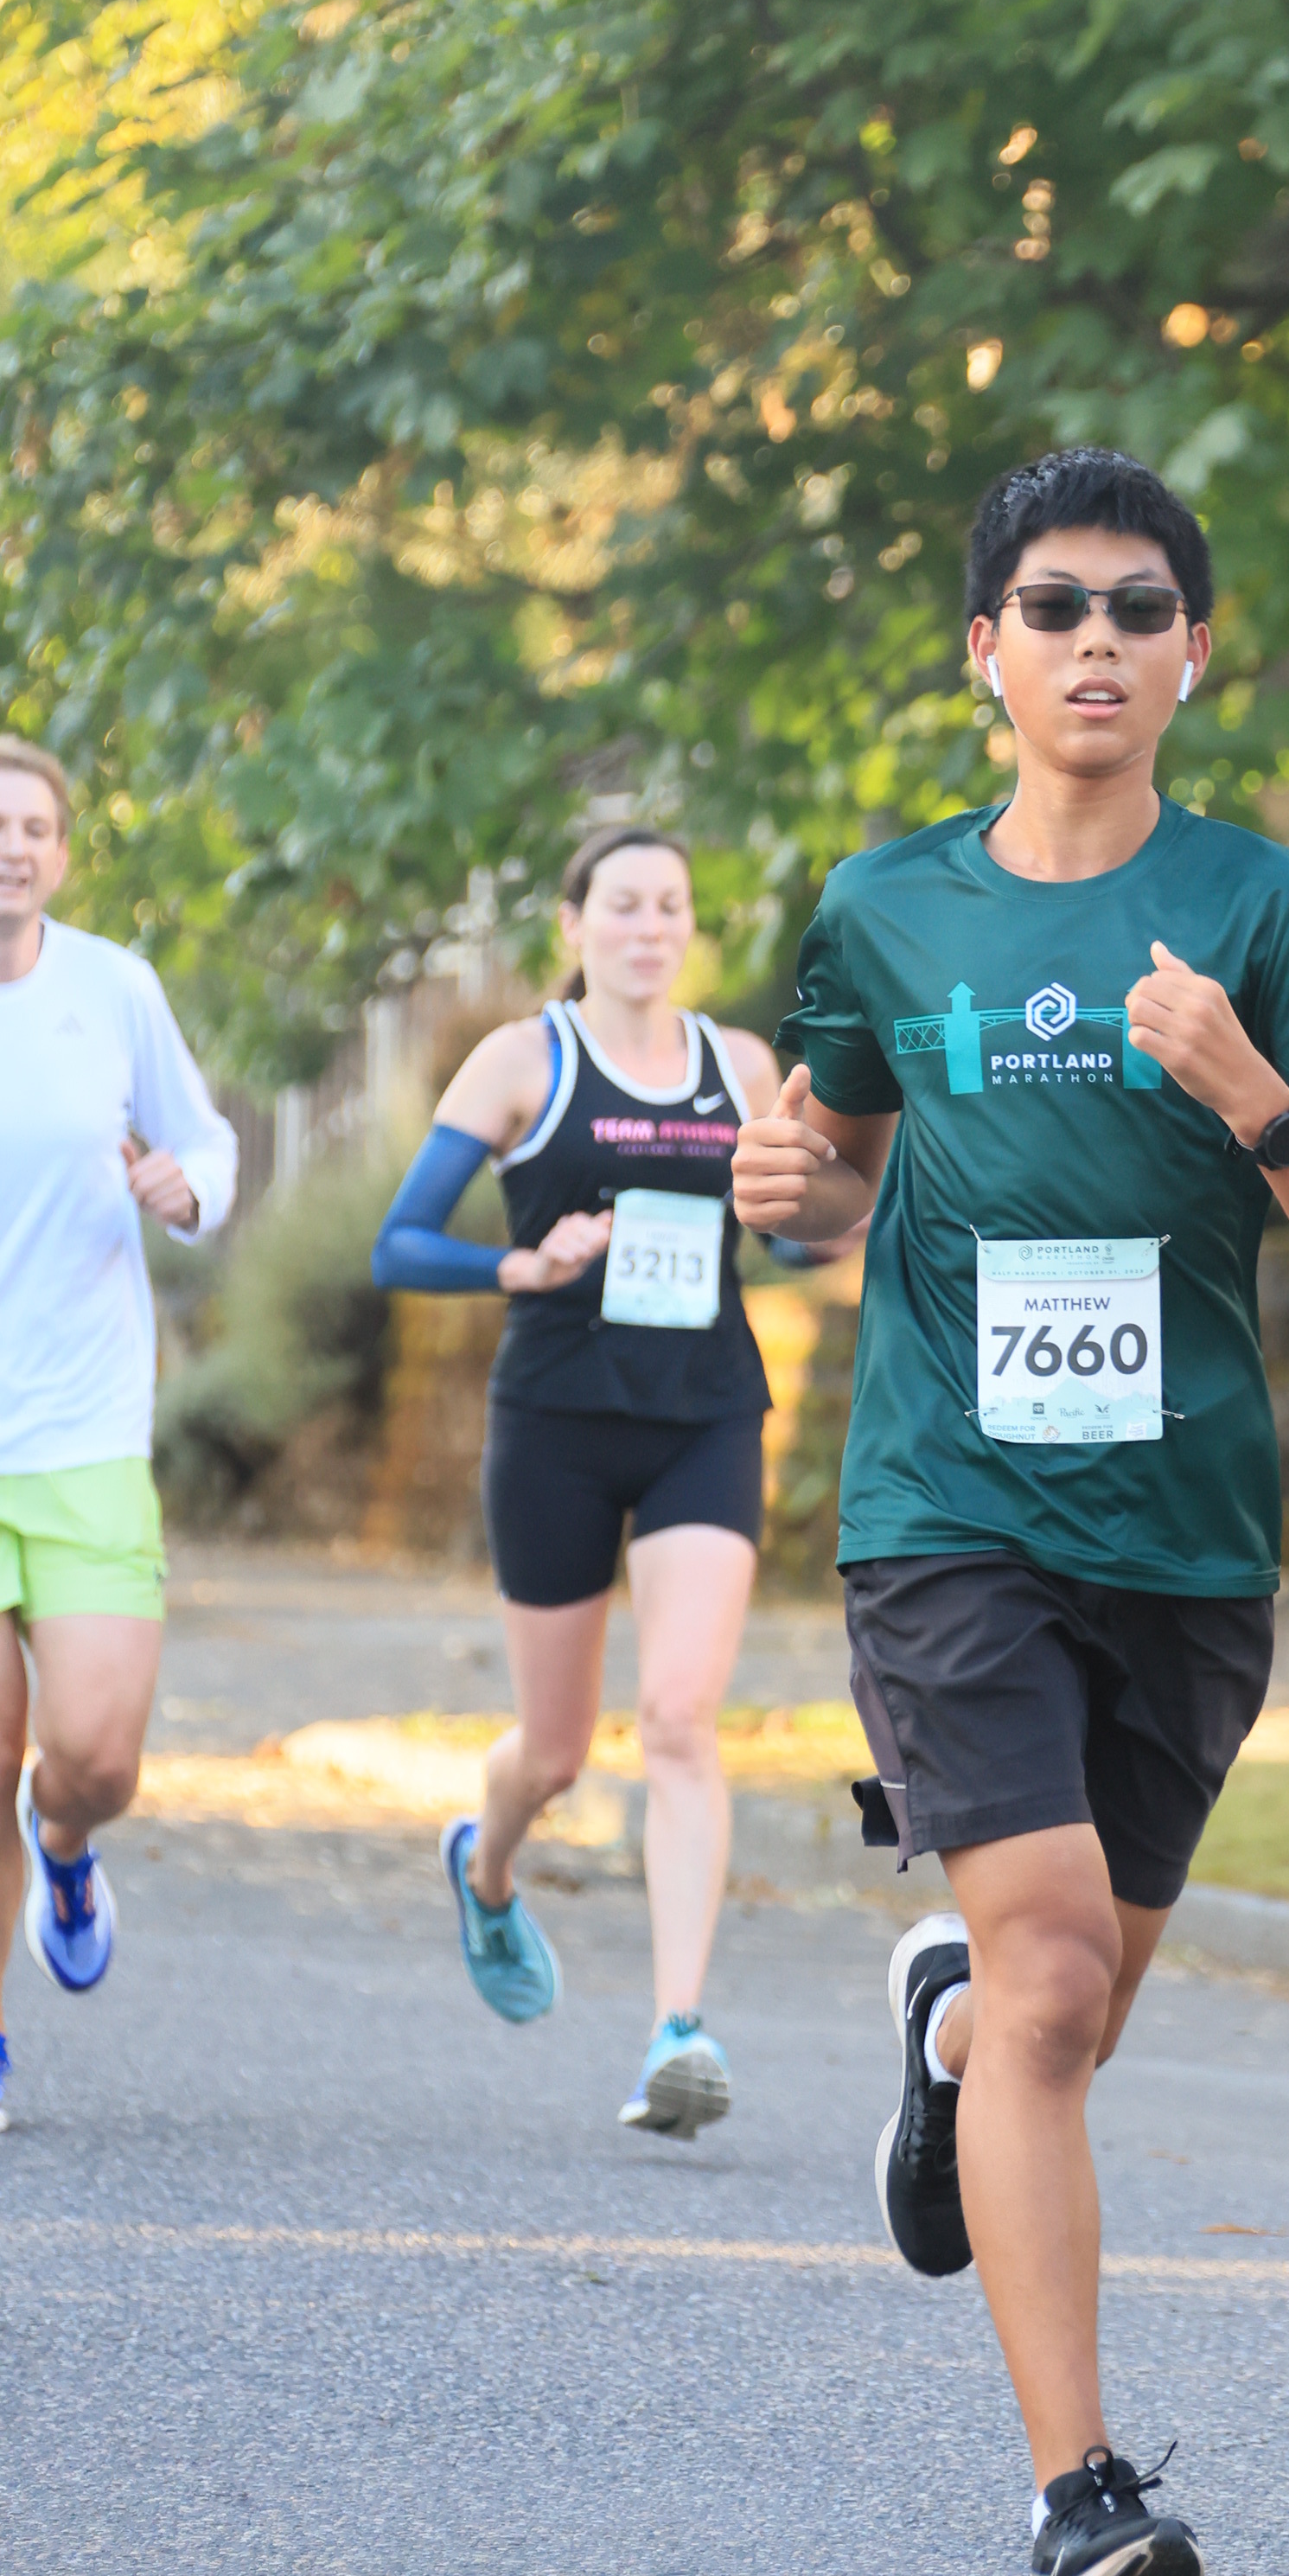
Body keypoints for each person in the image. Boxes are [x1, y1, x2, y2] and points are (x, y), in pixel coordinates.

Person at [732, 446, 1289, 2576]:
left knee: (1065, 2009)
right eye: (1052, 607)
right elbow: (831, 1161)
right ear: (986, 651)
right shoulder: (883, 910)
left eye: (1137, 608)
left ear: (1192, 653)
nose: (1095, 642)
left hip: (1184, 1539)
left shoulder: (1273, 916)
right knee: (1051, 1981)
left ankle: (942, 2039)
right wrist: (789, 1194)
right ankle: (1077, 2507)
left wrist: (1249, 1092)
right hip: (946, 1512)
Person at [371, 828, 787, 2134]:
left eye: (670, 905)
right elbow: (398, 1244)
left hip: (704, 1417)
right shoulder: (523, 1062)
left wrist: (835, 1200)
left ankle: (678, 2032)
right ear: (574, 925)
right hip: (554, 1421)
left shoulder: (742, 1067)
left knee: (678, 1717)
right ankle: (487, 1869)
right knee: (554, 1751)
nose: (648, 927)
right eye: (623, 904)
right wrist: (521, 1265)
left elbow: (790, 1239)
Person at [0, 734, 239, 2132]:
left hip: (83, 1430)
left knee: (94, 1756)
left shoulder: (113, 989)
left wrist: (187, 1191)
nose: (12, 847)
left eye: (36, 827)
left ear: (63, 854)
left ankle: (65, 1842)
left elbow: (209, 1141)